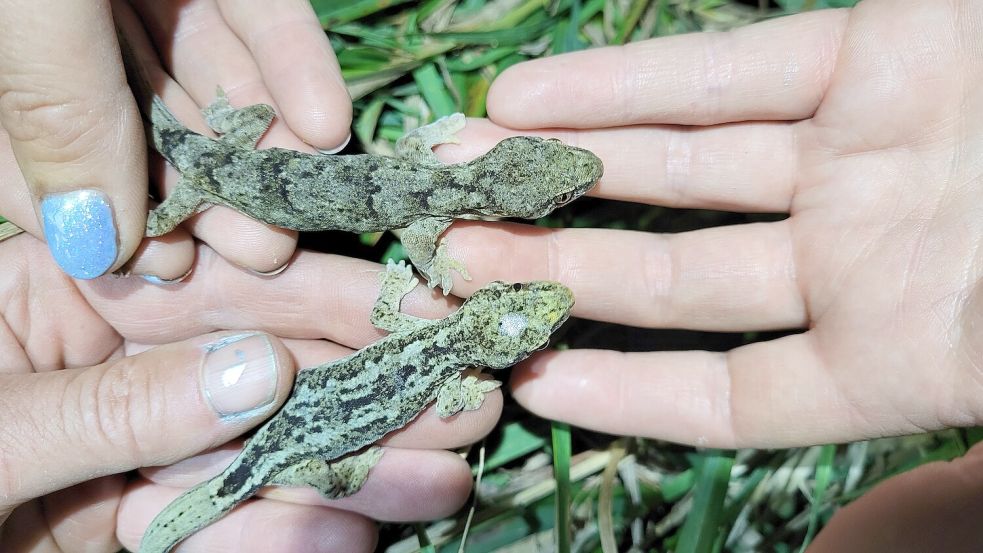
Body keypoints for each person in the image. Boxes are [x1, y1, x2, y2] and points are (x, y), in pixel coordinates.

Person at [2, 0, 982, 550]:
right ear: (508, 198)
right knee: (191, 205)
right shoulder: (435, 215)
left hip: (272, 180)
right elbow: (418, 253)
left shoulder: (435, 175)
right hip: (259, 192)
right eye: (551, 196)